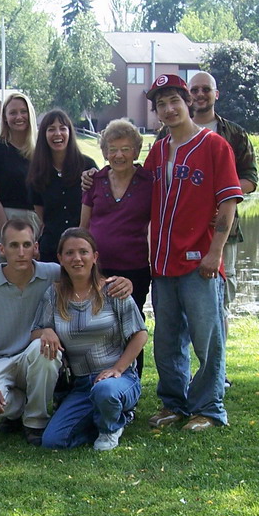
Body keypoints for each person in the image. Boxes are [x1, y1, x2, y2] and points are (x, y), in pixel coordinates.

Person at [0, 219, 135, 444]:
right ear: (2, 249)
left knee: (44, 348)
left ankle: (35, 422)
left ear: (36, 248)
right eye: (14, 245)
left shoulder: (53, 273)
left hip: (35, 355)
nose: (21, 252)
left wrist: (123, 283)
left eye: (27, 245)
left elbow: (87, 276)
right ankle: (20, 409)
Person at [142, 74, 242, 432]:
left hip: (200, 261)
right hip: (163, 261)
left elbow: (228, 203)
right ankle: (174, 403)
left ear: (188, 103)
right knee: (167, 339)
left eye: (174, 101)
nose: (169, 109)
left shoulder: (214, 145)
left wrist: (215, 253)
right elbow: (137, 190)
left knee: (207, 338)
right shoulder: (158, 150)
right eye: (161, 104)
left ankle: (210, 407)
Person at [32, 228, 147, 451]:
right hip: (82, 384)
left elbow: (140, 334)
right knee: (53, 441)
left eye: (83, 252)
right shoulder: (53, 294)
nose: (77, 258)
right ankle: (103, 415)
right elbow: (35, 332)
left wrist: (117, 368)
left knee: (105, 392)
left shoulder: (113, 289)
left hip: (118, 378)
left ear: (94, 257)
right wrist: (46, 331)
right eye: (69, 253)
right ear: (60, 258)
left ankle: (111, 427)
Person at [186, 73, 259, 383]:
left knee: (219, 301)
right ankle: (188, 370)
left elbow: (251, 179)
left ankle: (218, 372)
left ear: (217, 94)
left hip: (222, 231)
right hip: (182, 233)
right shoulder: (171, 131)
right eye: (195, 90)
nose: (200, 94)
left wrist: (221, 196)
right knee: (183, 302)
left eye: (206, 89)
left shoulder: (235, 134)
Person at [79, 119, 153, 378]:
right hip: (98, 267)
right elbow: (83, 226)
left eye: (125, 149)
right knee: (96, 322)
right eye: (112, 149)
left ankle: (131, 380)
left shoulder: (149, 181)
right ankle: (93, 378)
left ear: (136, 151)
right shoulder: (95, 180)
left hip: (135, 268)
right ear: (104, 152)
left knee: (132, 325)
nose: (119, 155)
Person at [28, 108, 96, 263]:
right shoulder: (37, 171)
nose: (57, 134)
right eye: (51, 129)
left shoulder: (87, 165)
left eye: (62, 128)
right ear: (43, 135)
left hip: (82, 250)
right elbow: (42, 215)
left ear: (70, 132)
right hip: (51, 249)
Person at [0, 92, 37, 271]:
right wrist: (7, 233)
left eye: (23, 111)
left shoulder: (41, 152)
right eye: (13, 112)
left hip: (34, 224)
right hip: (1, 221)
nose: (19, 117)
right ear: (5, 117)